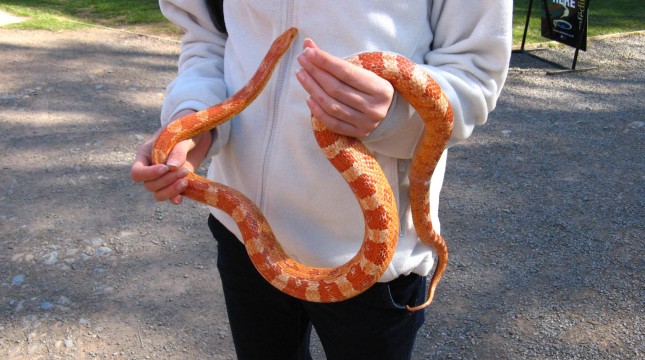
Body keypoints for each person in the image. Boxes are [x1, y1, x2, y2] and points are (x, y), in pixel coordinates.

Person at [131, 1, 512, 359]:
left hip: (373, 268)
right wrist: (194, 118)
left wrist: (396, 115)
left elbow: (475, 71)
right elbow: (209, 36)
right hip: (243, 239)